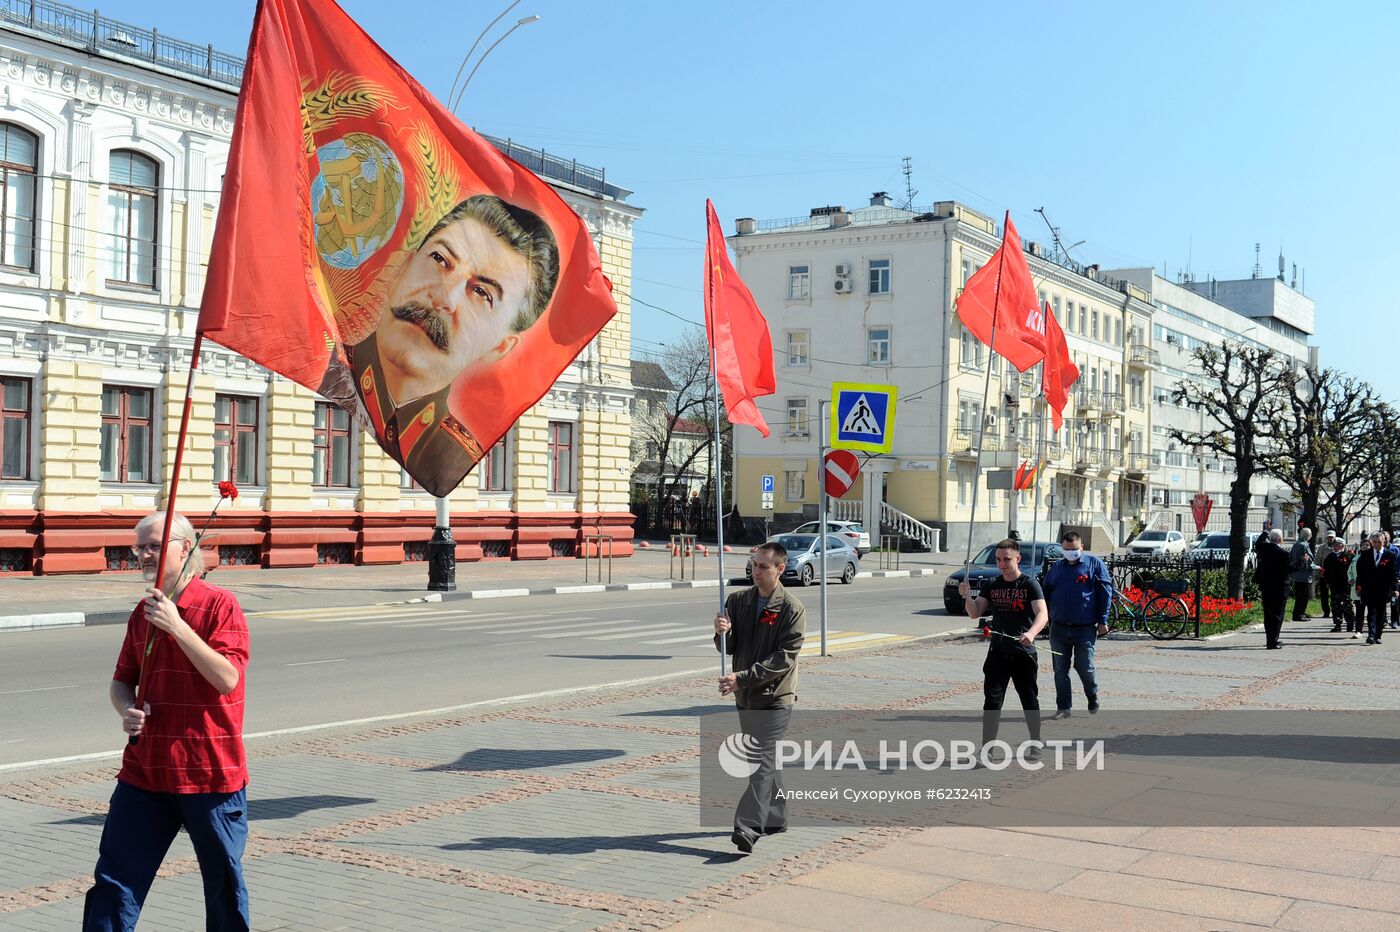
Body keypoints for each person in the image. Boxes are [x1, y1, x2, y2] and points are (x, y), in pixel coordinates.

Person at [319, 194, 560, 496]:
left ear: (500, 347)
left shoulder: (454, 454)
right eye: (440, 259)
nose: (443, 298)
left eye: (482, 293)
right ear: (403, 264)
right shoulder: (316, 372)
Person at [84, 513, 251, 930]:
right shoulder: (143, 612)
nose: (143, 554)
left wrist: (178, 626)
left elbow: (227, 678)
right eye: (140, 546)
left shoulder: (219, 605)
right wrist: (127, 710)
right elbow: (121, 682)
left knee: (222, 887)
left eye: (154, 546)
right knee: (114, 883)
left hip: (208, 774)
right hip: (146, 772)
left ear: (186, 548)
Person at [714, 540, 806, 853]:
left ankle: (748, 827)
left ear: (780, 569)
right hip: (746, 697)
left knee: (759, 761)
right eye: (754, 565)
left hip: (776, 697)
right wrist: (721, 632)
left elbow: (784, 658)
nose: (756, 571)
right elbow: (728, 648)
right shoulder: (737, 600)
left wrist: (742, 678)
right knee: (767, 759)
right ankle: (777, 817)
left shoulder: (792, 608)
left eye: (763, 566)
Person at [959, 538, 1048, 758]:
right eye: (998, 560)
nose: (1002, 564)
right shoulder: (993, 585)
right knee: (992, 702)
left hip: (1023, 654)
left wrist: (1031, 633)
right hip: (998, 653)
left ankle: (1035, 742)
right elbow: (974, 613)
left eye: (1006, 559)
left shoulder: (1029, 584)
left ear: (1018, 559)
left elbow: (1042, 614)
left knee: (1029, 700)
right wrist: (967, 596)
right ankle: (987, 749)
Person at [1041, 531, 1112, 718]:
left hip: (1085, 628)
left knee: (1084, 666)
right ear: (1062, 548)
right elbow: (1045, 593)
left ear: (1082, 547)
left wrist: (1103, 620)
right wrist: (1042, 617)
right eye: (1066, 549)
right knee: (1060, 670)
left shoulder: (1094, 564)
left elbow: (1106, 593)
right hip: (1059, 627)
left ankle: (1092, 693)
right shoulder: (1056, 568)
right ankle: (1064, 707)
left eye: (1074, 549)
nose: (1070, 552)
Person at [1356, 531, 1397, 645]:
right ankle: (1371, 635)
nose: (1377, 544)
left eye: (1379, 542)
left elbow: (1394, 573)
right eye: (1374, 542)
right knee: (1371, 612)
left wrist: (1395, 588)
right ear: (1372, 542)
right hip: (1369, 589)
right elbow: (1360, 572)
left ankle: (1378, 634)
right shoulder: (1365, 554)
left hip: (1384, 589)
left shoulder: (1390, 555)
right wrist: (1359, 586)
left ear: (1383, 542)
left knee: (1381, 613)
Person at [1254, 528, 1291, 649]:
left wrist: (1265, 531)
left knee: (1268, 614)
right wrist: (1302, 562)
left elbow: (1258, 543)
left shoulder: (1264, 549)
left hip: (1266, 586)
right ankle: (1273, 641)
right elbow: (1288, 569)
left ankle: (1270, 639)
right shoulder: (1283, 553)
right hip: (1280, 588)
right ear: (1280, 539)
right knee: (1277, 615)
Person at [1321, 536, 1356, 635]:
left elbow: (1354, 570)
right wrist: (1327, 582)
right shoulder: (1330, 557)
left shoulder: (1349, 556)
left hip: (1346, 585)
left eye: (1338, 545)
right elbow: (1325, 571)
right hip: (1334, 586)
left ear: (1343, 545)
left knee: (1347, 606)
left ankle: (1350, 623)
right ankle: (1337, 624)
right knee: (1335, 606)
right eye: (1334, 545)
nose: (1336, 547)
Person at [1288, 527, 1314, 622]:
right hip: (1304, 574)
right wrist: (1313, 567)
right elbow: (1308, 559)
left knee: (1300, 595)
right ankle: (1299, 614)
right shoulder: (1304, 545)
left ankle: (1299, 612)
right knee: (1303, 596)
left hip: (1296, 573)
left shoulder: (1296, 544)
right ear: (1308, 536)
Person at [1318, 531, 1336, 618]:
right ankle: (1326, 611)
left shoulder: (1338, 547)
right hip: (1324, 575)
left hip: (1335, 576)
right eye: (1329, 537)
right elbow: (1317, 561)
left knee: (1335, 594)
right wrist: (1317, 573)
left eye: (1332, 537)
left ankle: (1335, 610)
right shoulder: (1321, 548)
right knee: (1324, 595)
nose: (1330, 539)